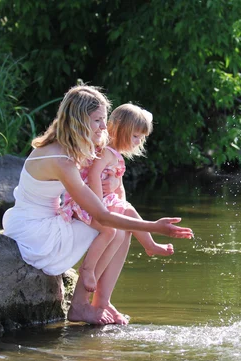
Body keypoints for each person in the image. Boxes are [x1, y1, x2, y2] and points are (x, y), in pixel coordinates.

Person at [2, 84, 193, 325]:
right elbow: (101, 215)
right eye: (98, 120)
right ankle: (81, 306)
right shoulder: (61, 160)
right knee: (113, 226)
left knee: (120, 220)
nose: (104, 126)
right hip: (38, 233)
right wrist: (154, 227)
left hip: (41, 219)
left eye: (104, 119)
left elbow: (112, 149)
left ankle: (102, 301)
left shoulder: (67, 145)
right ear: (79, 121)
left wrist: (114, 179)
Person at [59, 103, 173, 293]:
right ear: (120, 131)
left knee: (128, 210)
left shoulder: (114, 153)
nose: (138, 141)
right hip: (87, 202)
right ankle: (88, 269)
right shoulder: (105, 151)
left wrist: (119, 201)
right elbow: (93, 174)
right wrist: (98, 205)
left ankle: (149, 244)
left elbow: (118, 189)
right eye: (135, 136)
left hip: (100, 200)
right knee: (110, 231)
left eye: (141, 137)